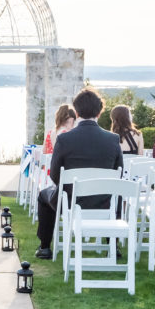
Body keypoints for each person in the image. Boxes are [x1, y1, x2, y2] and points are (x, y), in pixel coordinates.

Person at [34, 88, 122, 258]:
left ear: (76, 111)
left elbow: (54, 175)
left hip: (70, 202)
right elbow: (118, 173)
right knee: (116, 195)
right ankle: (113, 245)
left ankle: (44, 247)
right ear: (100, 111)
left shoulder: (65, 139)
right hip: (103, 201)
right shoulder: (113, 139)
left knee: (44, 196)